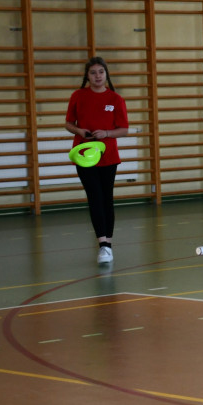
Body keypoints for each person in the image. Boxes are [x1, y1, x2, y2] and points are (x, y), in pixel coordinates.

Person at [65, 57, 129, 266]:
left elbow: (124, 129)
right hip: (84, 156)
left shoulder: (116, 99)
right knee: (94, 197)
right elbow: (68, 123)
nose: (97, 76)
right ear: (87, 76)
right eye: (93, 72)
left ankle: (107, 245)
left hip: (108, 155)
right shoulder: (78, 96)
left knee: (106, 198)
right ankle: (103, 244)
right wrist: (79, 130)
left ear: (106, 74)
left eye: (101, 72)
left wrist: (107, 133)